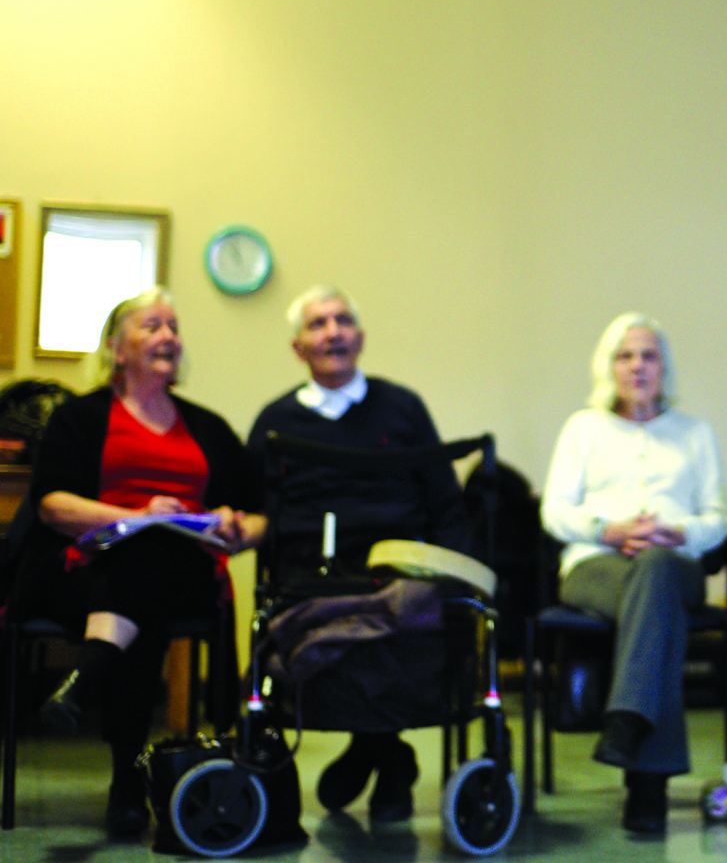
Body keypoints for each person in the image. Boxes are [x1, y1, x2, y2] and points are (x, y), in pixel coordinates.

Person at [6, 288, 265, 835]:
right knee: (142, 579)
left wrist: (234, 527)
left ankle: (88, 682)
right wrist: (136, 515)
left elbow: (261, 514)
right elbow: (52, 504)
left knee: (150, 561)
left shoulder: (209, 426)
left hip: (187, 573)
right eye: (152, 326)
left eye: (173, 326)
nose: (168, 336)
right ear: (116, 348)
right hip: (82, 570)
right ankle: (127, 780)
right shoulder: (79, 417)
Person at [248, 284, 472, 823]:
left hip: (399, 568)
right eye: (318, 324)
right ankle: (388, 754)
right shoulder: (276, 421)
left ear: (361, 338)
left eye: (342, 320)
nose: (333, 332)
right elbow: (255, 510)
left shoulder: (403, 406)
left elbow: (445, 500)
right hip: (312, 572)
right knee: (334, 614)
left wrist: (459, 574)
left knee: (407, 608)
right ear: (298, 347)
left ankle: (374, 749)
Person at [540, 312, 727, 833]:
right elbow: (554, 512)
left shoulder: (695, 433)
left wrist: (678, 532)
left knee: (657, 573)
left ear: (663, 366)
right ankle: (647, 783)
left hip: (674, 562)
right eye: (625, 355)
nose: (638, 365)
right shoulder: (583, 428)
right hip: (595, 566)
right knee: (658, 610)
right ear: (608, 366)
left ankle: (627, 721)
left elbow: (718, 520)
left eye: (648, 355)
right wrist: (608, 529)